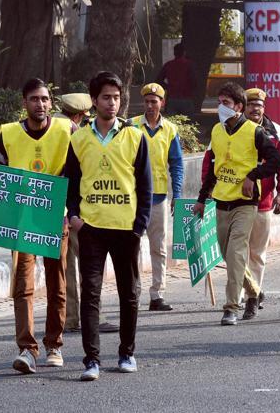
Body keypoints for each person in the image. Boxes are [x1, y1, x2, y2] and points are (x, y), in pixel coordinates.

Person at [65, 71, 152, 381]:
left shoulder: (135, 136)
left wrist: (140, 224)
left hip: (126, 228)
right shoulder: (78, 138)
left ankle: (127, 353)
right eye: (106, 97)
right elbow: (71, 183)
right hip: (91, 228)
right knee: (90, 293)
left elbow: (145, 183)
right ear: (94, 101)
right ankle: (92, 361)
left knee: (130, 293)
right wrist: (74, 214)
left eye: (116, 97)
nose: (112, 103)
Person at [0, 78, 71, 374]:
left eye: (45, 99)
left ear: (51, 103)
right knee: (23, 286)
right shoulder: (9, 134)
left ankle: (54, 344)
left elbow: (77, 171)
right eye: (34, 99)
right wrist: (1, 221)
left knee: (57, 284)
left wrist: (72, 211)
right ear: (24, 103)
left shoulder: (67, 129)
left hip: (55, 217)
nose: (40, 104)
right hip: (21, 221)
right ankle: (27, 349)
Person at [193, 82, 280, 325]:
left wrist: (253, 176)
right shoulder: (217, 132)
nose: (221, 107)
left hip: (246, 203)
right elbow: (213, 168)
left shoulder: (255, 132)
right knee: (226, 253)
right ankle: (255, 292)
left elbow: (276, 161)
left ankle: (231, 307)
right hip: (221, 201)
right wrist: (202, 199)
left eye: (226, 103)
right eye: (219, 102)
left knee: (236, 253)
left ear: (239, 107)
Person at [56, 93, 120, 334]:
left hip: (50, 206)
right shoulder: (76, 132)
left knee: (64, 266)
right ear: (80, 115)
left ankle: (69, 317)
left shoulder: (49, 126)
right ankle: (95, 315)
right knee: (90, 263)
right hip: (76, 207)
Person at [130, 83, 184, 311]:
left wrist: (177, 194)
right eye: (147, 101)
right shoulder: (131, 126)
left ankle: (157, 294)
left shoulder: (170, 130)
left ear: (162, 103)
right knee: (131, 246)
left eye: (155, 101)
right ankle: (133, 292)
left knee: (159, 247)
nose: (150, 105)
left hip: (159, 197)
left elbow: (177, 163)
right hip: (133, 197)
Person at [156, 43, 197, 116]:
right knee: (188, 123)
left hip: (172, 98)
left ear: (174, 53)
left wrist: (168, 87)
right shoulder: (189, 65)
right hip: (186, 97)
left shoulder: (168, 65)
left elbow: (158, 80)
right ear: (184, 52)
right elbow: (194, 81)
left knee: (172, 123)